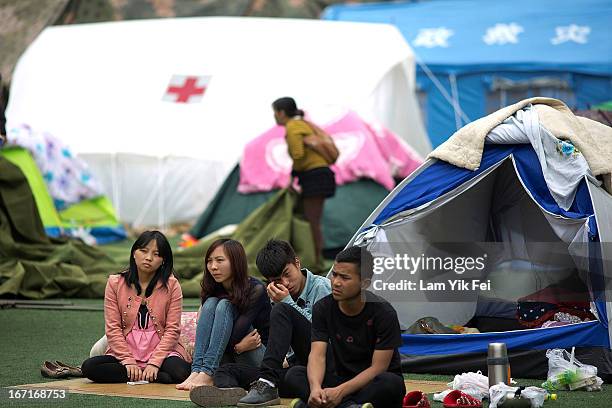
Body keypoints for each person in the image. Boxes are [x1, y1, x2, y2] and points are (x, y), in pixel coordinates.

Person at [190, 239, 331, 407]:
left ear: (297, 263)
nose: (284, 283)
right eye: (277, 280)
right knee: (226, 370)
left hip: (318, 364)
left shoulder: (321, 287)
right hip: (283, 367)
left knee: (282, 313)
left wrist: (287, 302)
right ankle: (231, 392)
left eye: (287, 274)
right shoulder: (271, 291)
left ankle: (268, 384)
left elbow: (322, 336)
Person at [285, 246, 406, 408]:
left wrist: (340, 392)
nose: (336, 282)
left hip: (371, 382)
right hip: (339, 378)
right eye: (334, 274)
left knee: (391, 384)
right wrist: (315, 389)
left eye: (345, 277)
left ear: (364, 283)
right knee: (294, 374)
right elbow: (317, 355)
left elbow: (378, 368)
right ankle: (349, 406)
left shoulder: (384, 313)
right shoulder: (323, 307)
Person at [81, 230, 191, 384]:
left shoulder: (172, 285)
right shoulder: (115, 283)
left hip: (162, 352)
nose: (148, 258)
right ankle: (154, 377)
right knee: (89, 367)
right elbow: (113, 328)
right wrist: (127, 360)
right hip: (125, 351)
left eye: (156, 254)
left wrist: (155, 362)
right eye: (143, 251)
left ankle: (147, 373)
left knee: (182, 372)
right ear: (133, 253)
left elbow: (173, 329)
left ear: (163, 260)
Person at [177, 239, 271, 391]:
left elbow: (235, 336)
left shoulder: (256, 289)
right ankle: (197, 370)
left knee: (224, 305)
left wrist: (238, 347)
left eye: (220, 260)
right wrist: (236, 347)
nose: (213, 267)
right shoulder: (213, 288)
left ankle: (207, 372)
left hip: (257, 353)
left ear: (236, 262)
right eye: (209, 261)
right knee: (211, 303)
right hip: (232, 351)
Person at [272, 97, 336, 266]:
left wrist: (293, 174)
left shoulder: (293, 127)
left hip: (314, 176)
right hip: (322, 174)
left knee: (312, 222)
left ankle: (315, 261)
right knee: (314, 221)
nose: (275, 116)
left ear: (281, 113)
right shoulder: (304, 124)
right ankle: (317, 258)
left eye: (275, 112)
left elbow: (298, 154)